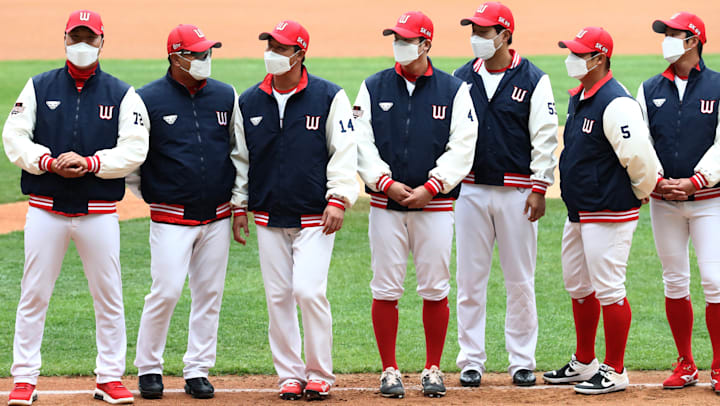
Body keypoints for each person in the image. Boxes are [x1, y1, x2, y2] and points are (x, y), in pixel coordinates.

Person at [1, 10, 149, 405]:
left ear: (103, 41)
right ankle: (25, 379)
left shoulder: (122, 93)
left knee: (109, 295)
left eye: (90, 37)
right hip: (46, 209)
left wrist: (91, 163)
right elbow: (13, 136)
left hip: (99, 211)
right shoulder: (38, 86)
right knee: (34, 293)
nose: (82, 44)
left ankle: (109, 377)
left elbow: (135, 147)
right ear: (64, 38)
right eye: (75, 37)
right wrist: (48, 161)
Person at [232, 20, 358, 401]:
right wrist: (240, 204)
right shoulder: (249, 101)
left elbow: (344, 152)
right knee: (277, 297)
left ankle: (319, 372)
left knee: (308, 291)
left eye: (281, 48)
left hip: (315, 216)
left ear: (300, 54)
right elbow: (240, 159)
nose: (272, 54)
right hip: (269, 215)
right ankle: (289, 374)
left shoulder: (328, 97)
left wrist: (339, 198)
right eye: (269, 46)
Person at [355, 11, 478, 399]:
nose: (399, 44)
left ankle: (432, 368)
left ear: (426, 44)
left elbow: (464, 144)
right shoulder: (373, 87)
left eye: (407, 39)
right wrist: (384, 183)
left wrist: (433, 185)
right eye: (396, 38)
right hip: (384, 204)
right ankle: (389, 369)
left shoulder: (454, 89)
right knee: (385, 289)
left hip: (435, 206)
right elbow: (360, 141)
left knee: (435, 289)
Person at [542, 27, 660, 395]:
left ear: (600, 57)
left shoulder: (616, 101)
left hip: (609, 209)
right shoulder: (582, 96)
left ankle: (615, 369)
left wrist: (642, 191)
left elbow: (640, 157)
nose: (571, 58)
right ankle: (585, 360)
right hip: (581, 209)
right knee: (578, 285)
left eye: (579, 52)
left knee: (609, 288)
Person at [130, 24, 240, 400]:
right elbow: (134, 160)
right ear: (176, 56)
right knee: (166, 291)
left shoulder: (226, 95)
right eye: (197, 53)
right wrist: (153, 194)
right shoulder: (147, 99)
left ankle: (197, 369)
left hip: (218, 215)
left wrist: (238, 203)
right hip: (169, 215)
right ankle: (149, 368)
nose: (205, 58)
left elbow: (236, 150)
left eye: (207, 51)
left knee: (209, 292)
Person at [453, 2, 558, 388]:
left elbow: (544, 136)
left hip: (517, 192)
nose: (477, 37)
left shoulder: (534, 78)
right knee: (469, 279)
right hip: (470, 191)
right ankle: (470, 360)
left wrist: (539, 186)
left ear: (505, 35)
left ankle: (521, 360)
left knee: (520, 280)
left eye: (484, 31)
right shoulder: (460, 78)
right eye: (474, 30)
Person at [637, 12, 720, 392]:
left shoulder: (718, 86)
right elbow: (641, 144)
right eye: (665, 34)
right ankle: (686, 362)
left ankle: (718, 364)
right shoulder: (649, 87)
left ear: (693, 41)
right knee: (674, 282)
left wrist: (695, 181)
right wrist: (655, 181)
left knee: (715, 281)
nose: (667, 39)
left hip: (709, 200)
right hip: (663, 202)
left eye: (673, 34)